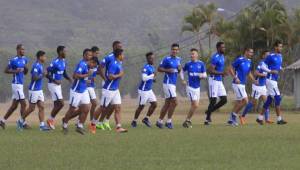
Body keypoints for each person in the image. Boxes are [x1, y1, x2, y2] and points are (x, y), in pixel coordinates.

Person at [91, 49, 127, 133]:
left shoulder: (119, 63)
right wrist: (120, 75)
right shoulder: (113, 65)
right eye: (122, 54)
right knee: (102, 108)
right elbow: (110, 76)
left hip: (115, 89)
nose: (123, 56)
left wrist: (119, 74)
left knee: (118, 107)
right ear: (119, 55)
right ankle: (93, 124)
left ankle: (118, 127)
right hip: (108, 89)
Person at [62, 49, 94, 135]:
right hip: (76, 91)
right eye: (88, 55)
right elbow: (75, 75)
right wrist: (87, 75)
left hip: (83, 90)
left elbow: (80, 77)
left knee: (87, 108)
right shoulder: (82, 64)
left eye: (91, 55)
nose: (90, 56)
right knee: (72, 109)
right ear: (84, 55)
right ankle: (64, 125)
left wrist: (86, 80)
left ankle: (80, 126)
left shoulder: (87, 65)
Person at [240, 50, 275, 124]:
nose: (269, 56)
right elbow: (255, 73)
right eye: (267, 55)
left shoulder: (268, 64)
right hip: (257, 86)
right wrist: (264, 75)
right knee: (253, 103)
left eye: (269, 55)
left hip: (263, 87)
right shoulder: (261, 63)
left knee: (267, 102)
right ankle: (242, 116)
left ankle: (267, 119)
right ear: (263, 56)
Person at [17, 50, 50, 131]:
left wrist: (44, 74)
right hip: (34, 90)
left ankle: (42, 126)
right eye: (44, 56)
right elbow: (34, 78)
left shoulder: (40, 65)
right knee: (31, 108)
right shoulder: (36, 66)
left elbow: (40, 76)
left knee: (41, 107)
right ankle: (20, 121)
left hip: (39, 90)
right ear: (40, 57)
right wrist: (43, 74)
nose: (45, 58)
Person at [256, 41, 287, 125]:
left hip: (274, 80)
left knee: (269, 100)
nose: (281, 48)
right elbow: (262, 66)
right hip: (270, 80)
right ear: (275, 47)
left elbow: (277, 65)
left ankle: (260, 118)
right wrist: (270, 71)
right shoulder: (270, 56)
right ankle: (279, 119)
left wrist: (281, 68)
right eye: (279, 47)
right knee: (277, 98)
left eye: (281, 46)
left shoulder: (280, 56)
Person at [0, 44, 28, 130]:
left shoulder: (24, 59)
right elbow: (6, 70)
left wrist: (25, 69)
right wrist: (15, 71)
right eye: (22, 49)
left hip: (21, 84)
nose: (23, 51)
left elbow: (25, 71)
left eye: (24, 49)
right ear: (18, 50)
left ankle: (2, 121)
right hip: (16, 85)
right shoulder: (13, 60)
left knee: (14, 106)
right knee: (23, 103)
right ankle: (23, 123)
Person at [156, 43, 182, 129]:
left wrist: (179, 70)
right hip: (168, 83)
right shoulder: (166, 59)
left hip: (173, 84)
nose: (174, 51)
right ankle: (169, 121)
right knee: (175, 102)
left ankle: (159, 121)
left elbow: (177, 70)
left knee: (167, 104)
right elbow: (159, 69)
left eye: (176, 49)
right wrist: (167, 70)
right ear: (171, 50)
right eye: (173, 49)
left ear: (178, 50)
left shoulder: (178, 59)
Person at [228, 48, 256, 126]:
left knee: (239, 102)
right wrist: (235, 78)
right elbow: (230, 68)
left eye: (252, 52)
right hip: (237, 84)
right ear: (246, 52)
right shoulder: (240, 59)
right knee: (245, 101)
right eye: (250, 52)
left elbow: (248, 73)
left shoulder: (249, 61)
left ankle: (231, 119)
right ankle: (233, 117)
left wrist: (254, 80)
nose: (251, 54)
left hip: (242, 84)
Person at [46, 46, 72, 130]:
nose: (66, 52)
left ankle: (50, 122)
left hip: (58, 85)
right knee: (61, 103)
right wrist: (54, 81)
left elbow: (64, 73)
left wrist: (69, 79)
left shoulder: (63, 61)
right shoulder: (55, 62)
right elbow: (47, 72)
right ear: (60, 52)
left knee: (57, 104)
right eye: (65, 51)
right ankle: (50, 120)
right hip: (53, 85)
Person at [180, 48, 207, 128]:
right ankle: (187, 120)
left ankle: (187, 120)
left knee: (196, 106)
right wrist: (182, 80)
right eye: (191, 54)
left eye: (193, 54)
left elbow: (205, 75)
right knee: (194, 104)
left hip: (197, 88)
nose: (192, 55)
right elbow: (181, 71)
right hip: (190, 87)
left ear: (197, 55)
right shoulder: (188, 64)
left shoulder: (201, 64)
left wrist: (201, 75)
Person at [131, 52, 157, 128]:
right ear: (147, 59)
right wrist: (152, 75)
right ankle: (134, 121)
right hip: (143, 90)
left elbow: (151, 77)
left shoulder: (152, 67)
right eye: (150, 58)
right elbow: (144, 78)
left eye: (153, 58)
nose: (152, 59)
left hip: (149, 90)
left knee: (154, 104)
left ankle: (146, 119)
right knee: (141, 106)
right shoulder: (146, 67)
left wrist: (153, 79)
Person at [204, 42, 228, 125]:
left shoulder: (222, 57)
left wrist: (222, 74)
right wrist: (222, 73)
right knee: (213, 100)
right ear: (218, 48)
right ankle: (207, 119)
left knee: (224, 100)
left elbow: (219, 69)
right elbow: (210, 70)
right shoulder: (215, 57)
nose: (224, 48)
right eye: (222, 47)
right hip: (213, 80)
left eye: (224, 47)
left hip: (219, 80)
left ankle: (209, 111)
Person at [87, 46, 100, 120]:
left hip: (91, 85)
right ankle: (92, 121)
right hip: (86, 86)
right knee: (94, 104)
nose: (97, 55)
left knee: (91, 104)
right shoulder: (88, 62)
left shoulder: (96, 61)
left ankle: (91, 121)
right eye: (96, 53)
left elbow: (97, 71)